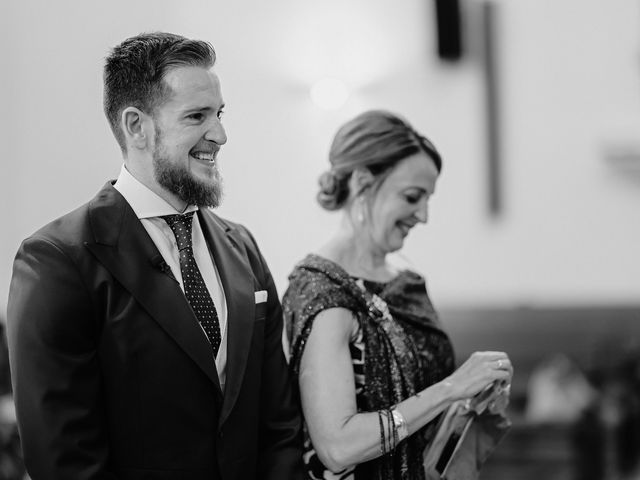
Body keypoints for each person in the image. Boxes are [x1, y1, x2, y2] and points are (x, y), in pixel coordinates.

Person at [6, 32, 303, 480]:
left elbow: (279, 423)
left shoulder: (241, 246)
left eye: (218, 114)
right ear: (136, 126)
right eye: (197, 116)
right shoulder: (56, 261)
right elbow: (63, 461)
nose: (220, 135)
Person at [283, 110, 513, 480]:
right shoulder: (324, 291)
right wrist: (453, 388)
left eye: (427, 199)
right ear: (362, 183)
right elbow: (336, 447)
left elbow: (423, 404)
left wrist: (472, 398)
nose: (422, 215)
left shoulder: (406, 284)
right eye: (412, 197)